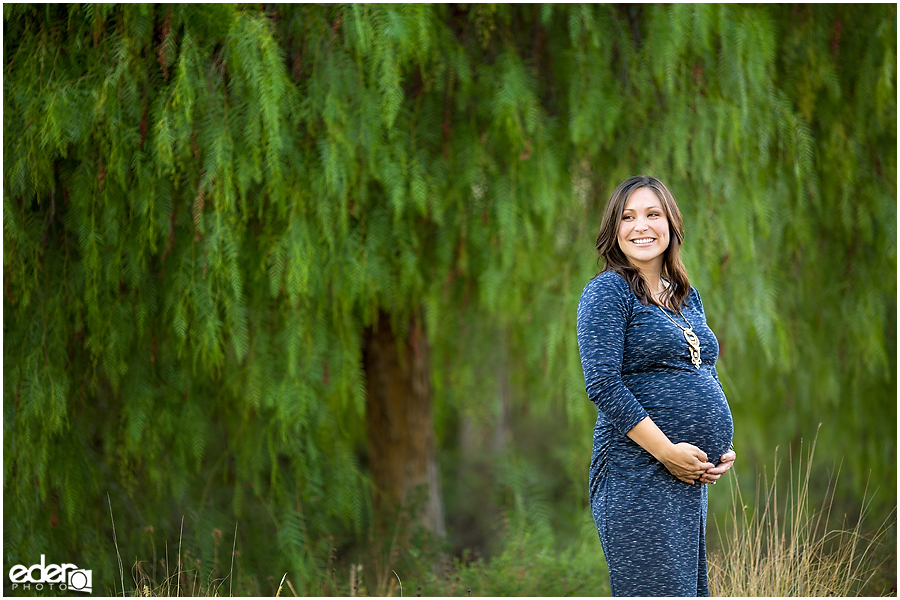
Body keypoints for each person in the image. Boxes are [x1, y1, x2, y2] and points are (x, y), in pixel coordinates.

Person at [576, 175, 736, 596]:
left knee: (686, 590)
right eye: (627, 217)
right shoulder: (607, 292)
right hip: (637, 472)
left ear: (671, 224)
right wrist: (667, 452)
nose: (641, 226)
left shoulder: (685, 295)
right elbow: (603, 384)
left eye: (652, 214)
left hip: (687, 476)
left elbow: (704, 370)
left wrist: (720, 450)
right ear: (614, 230)